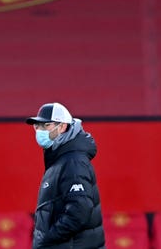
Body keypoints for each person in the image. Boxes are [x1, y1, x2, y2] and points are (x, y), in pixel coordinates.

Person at [26, 102, 105, 249]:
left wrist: (49, 240)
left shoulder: (72, 162)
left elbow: (79, 211)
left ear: (62, 127)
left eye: (46, 125)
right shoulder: (61, 159)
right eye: (37, 126)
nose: (39, 130)